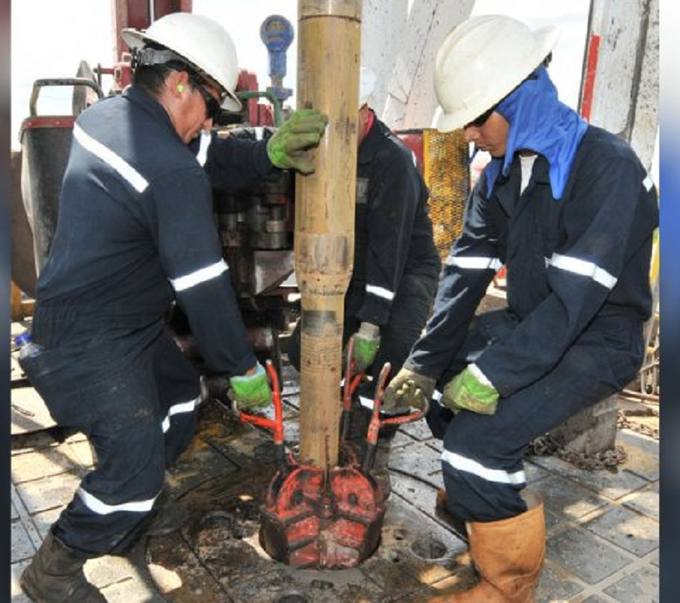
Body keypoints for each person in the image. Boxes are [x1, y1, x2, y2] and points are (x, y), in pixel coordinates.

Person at [19, 13, 327, 603]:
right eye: (211, 104)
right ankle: (56, 566)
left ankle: (130, 509)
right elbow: (205, 284)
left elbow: (205, 153)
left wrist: (270, 153)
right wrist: (242, 370)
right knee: (131, 470)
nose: (211, 121)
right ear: (181, 82)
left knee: (182, 398)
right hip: (84, 341)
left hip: (120, 323)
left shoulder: (107, 117)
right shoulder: (167, 166)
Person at [383, 15, 658, 603]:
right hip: (535, 321)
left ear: (520, 100)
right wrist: (423, 363)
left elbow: (575, 302)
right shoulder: (501, 178)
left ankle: (507, 584)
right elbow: (463, 275)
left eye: (478, 121)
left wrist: (493, 374)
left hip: (596, 338)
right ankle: (481, 502)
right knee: (437, 391)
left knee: (476, 444)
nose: (472, 138)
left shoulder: (607, 167)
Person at [287, 67, 441, 472]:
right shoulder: (326, 150)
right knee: (310, 351)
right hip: (355, 267)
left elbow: (390, 252)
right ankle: (340, 419)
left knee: (384, 372)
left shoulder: (393, 162)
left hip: (404, 272)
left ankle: (373, 457)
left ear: (364, 111)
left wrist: (371, 325)